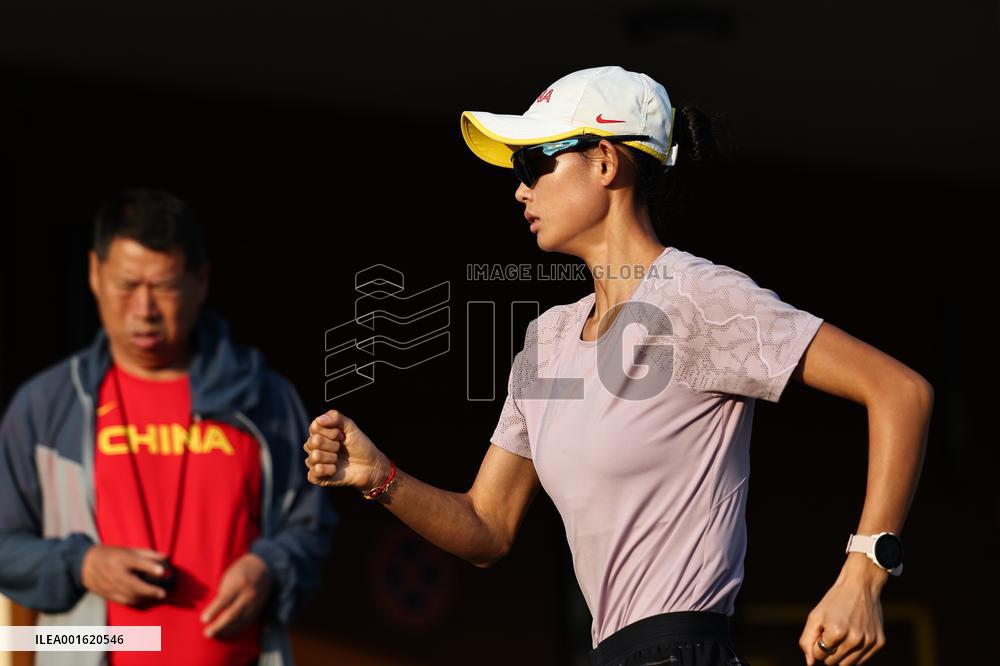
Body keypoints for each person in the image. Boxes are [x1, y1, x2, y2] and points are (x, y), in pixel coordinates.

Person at [303, 66, 933, 666]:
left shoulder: (699, 297)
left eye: (535, 162)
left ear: (604, 161)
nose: (520, 187)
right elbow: (487, 528)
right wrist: (377, 475)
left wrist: (865, 573)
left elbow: (900, 392)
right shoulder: (545, 340)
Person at [0, 189, 339, 666]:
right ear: (95, 274)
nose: (144, 309)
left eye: (163, 286)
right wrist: (82, 564)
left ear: (201, 280)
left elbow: (312, 530)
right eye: (126, 284)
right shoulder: (45, 405)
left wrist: (269, 568)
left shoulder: (264, 399)